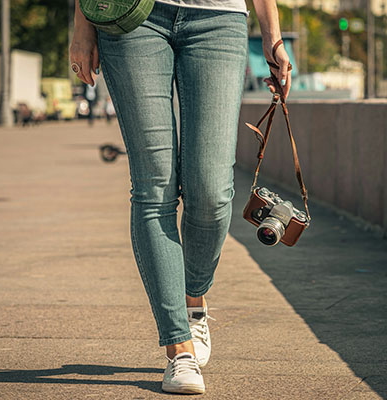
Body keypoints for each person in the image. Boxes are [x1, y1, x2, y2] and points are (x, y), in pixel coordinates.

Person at [70, 0, 291, 394]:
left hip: (219, 19)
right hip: (131, 16)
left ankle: (193, 299)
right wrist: (83, 25)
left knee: (212, 191)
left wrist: (272, 35)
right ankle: (179, 348)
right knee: (154, 187)